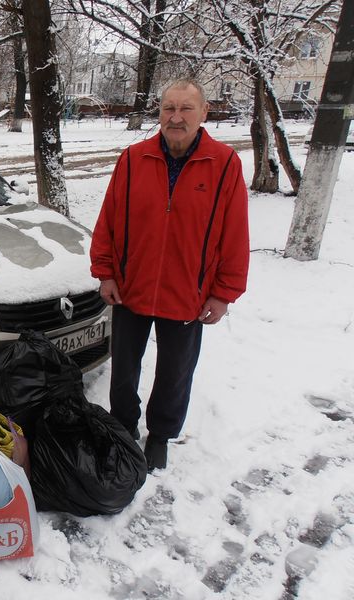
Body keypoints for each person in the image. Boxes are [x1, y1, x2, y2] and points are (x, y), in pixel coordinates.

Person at [89, 79, 250, 472]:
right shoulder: (133, 159)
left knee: (176, 372)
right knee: (124, 369)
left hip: (188, 292)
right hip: (131, 287)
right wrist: (106, 272)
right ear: (159, 112)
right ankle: (124, 426)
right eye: (168, 109)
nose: (175, 117)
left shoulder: (224, 164)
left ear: (203, 113)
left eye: (185, 109)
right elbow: (108, 220)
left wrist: (223, 293)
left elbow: (235, 235)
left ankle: (159, 434)